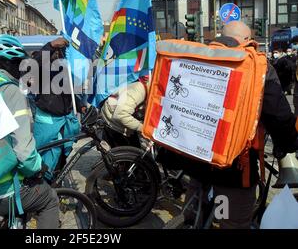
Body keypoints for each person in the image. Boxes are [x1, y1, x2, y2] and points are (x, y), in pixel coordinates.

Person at [161, 21, 298, 229]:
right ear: (245, 41)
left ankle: (192, 218)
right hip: (234, 168)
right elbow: (278, 116)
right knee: (233, 222)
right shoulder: (256, 66)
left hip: (194, 156)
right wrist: (289, 142)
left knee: (197, 208)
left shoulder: (198, 57)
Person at [0, 35, 59, 229]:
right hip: (3, 187)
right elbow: (24, 152)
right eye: (18, 62)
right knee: (49, 199)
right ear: (4, 62)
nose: (21, 68)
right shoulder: (11, 92)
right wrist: (39, 167)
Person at [29, 37, 81, 180]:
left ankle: (56, 184)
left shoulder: (64, 70)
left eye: (62, 51)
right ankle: (44, 188)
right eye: (57, 51)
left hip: (66, 120)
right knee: (45, 155)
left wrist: (81, 106)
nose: (60, 53)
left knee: (62, 155)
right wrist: (50, 45)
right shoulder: (41, 68)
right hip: (47, 120)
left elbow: (68, 91)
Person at [101, 76, 149, 148]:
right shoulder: (139, 90)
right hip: (113, 121)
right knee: (132, 155)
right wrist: (143, 128)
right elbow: (121, 115)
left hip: (116, 117)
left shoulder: (145, 89)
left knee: (136, 150)